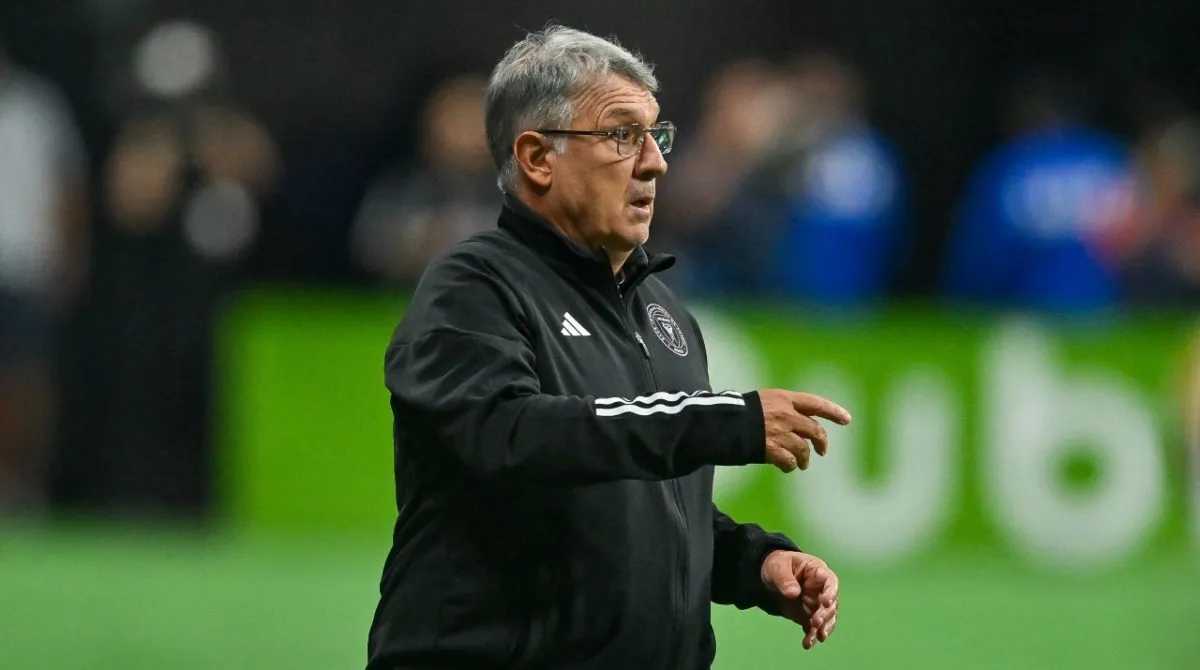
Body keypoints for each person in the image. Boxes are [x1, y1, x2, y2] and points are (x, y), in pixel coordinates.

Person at [366, 25, 851, 669]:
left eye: (656, 135)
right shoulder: (473, 287)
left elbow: (642, 512)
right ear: (538, 157)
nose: (655, 162)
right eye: (622, 135)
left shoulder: (663, 312)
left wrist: (755, 563)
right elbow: (509, 434)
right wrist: (721, 419)